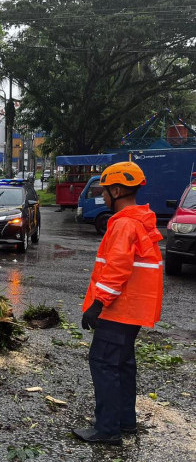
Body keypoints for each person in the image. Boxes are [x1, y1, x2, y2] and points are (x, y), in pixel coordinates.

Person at [72, 161, 163, 445]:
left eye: (105, 191)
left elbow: (117, 269)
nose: (103, 197)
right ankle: (125, 421)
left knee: (103, 363)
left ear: (118, 189)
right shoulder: (139, 220)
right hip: (133, 309)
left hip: (119, 309)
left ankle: (107, 429)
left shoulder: (124, 224)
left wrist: (97, 304)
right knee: (123, 364)